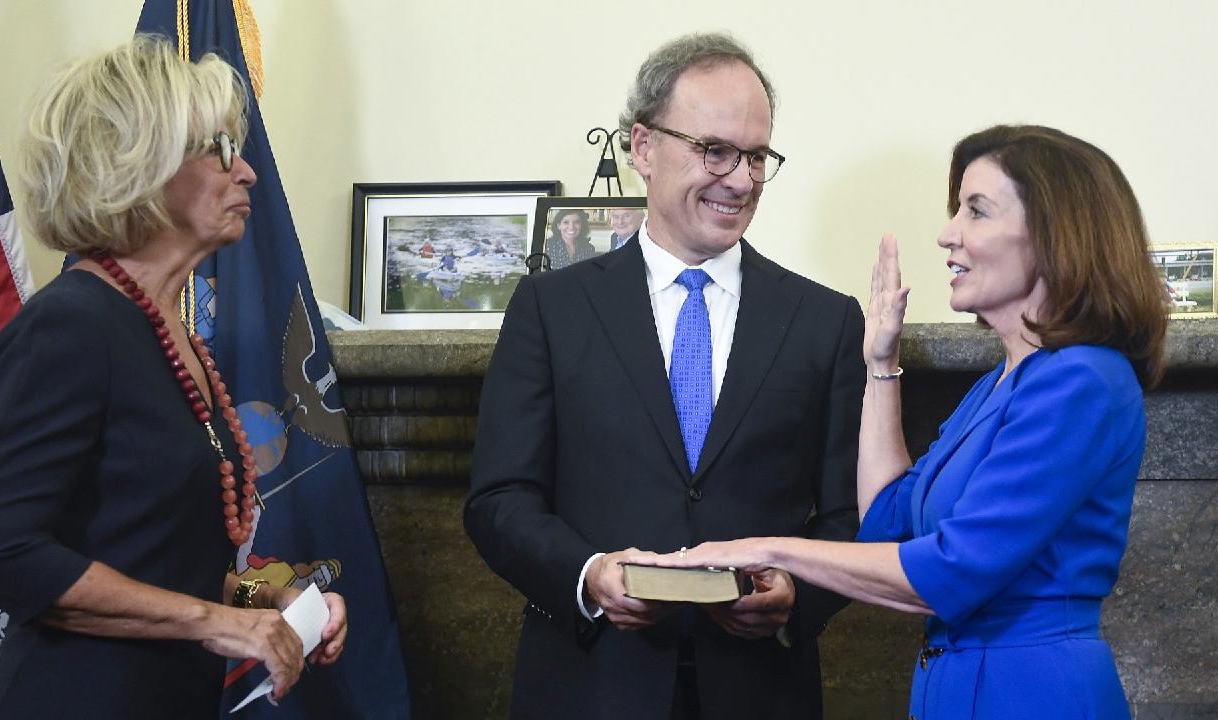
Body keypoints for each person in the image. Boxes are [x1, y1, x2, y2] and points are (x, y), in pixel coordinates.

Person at [638, 125, 1168, 719]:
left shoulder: (1082, 381)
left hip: (1032, 692)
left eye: (976, 211)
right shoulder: (1001, 383)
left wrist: (763, 550)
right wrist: (880, 361)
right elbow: (887, 519)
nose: (947, 235)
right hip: (957, 688)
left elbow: (949, 572)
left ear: (1054, 236)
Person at [464, 33, 865, 719]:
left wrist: (798, 596)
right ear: (644, 148)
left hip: (761, 690)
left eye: (757, 156)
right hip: (591, 684)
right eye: (715, 151)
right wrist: (590, 576)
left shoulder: (825, 321)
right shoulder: (550, 309)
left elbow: (849, 516)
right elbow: (500, 499)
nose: (740, 179)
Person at [0, 36, 347, 719]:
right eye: (221, 150)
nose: (247, 171)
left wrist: (266, 601)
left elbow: (150, 554)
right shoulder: (71, 326)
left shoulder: (166, 331)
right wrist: (216, 622)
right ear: (138, 165)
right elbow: (4, 552)